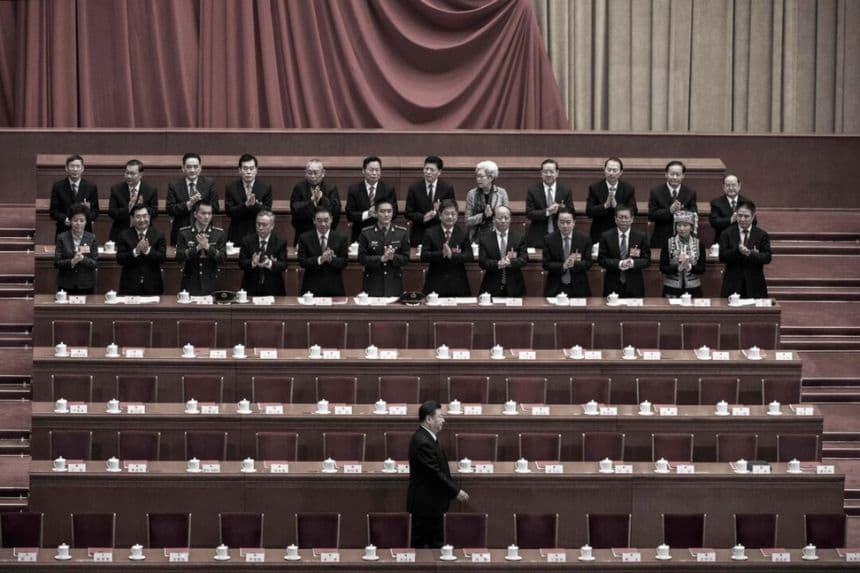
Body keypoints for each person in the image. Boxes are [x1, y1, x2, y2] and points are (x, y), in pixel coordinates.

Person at [407, 400, 469, 549]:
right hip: (426, 507)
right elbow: (434, 473)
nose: (443, 420)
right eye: (440, 417)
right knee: (424, 550)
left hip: (430, 505)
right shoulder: (423, 441)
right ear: (429, 419)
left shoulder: (426, 438)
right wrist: (455, 491)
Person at [719, 201, 771, 298]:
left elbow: (767, 257)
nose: (742, 219)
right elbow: (722, 256)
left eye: (746, 216)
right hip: (732, 283)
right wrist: (737, 251)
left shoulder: (762, 234)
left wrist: (750, 253)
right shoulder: (727, 233)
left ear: (753, 216)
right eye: (739, 216)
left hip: (755, 283)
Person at [358, 200, 410, 297]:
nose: (386, 214)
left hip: (394, 284)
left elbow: (406, 259)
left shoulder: (402, 232)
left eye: (389, 211)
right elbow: (362, 259)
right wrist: (381, 258)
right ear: (376, 213)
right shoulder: (366, 233)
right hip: (373, 284)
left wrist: (392, 257)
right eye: (382, 211)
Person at [420, 199, 472, 296]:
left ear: (457, 216)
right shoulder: (430, 232)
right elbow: (424, 256)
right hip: (435, 284)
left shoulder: (463, 233)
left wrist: (452, 255)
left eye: (453, 214)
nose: (450, 217)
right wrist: (441, 254)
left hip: (458, 285)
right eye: (446, 213)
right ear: (440, 215)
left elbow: (470, 256)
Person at [598, 204, 650, 297]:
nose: (623, 220)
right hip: (612, 284)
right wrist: (619, 263)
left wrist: (633, 263)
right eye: (620, 217)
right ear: (615, 219)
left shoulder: (641, 236)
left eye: (626, 217)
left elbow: (647, 260)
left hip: (635, 285)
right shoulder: (606, 236)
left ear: (632, 219)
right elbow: (601, 260)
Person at [166, 153, 219, 245]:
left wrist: (201, 205)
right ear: (183, 168)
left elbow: (215, 207)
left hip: (205, 232)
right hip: (181, 233)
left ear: (200, 168)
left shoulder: (209, 183)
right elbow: (170, 209)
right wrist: (189, 204)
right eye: (189, 167)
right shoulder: (174, 185)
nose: (192, 170)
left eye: (195, 167)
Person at [176, 201, 227, 295]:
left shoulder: (219, 233)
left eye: (209, 213)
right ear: (195, 214)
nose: (207, 217)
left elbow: (222, 258)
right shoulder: (184, 233)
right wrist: (197, 248)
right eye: (203, 213)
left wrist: (208, 247)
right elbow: (179, 258)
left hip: (211, 284)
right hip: (190, 284)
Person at [405, 155, 456, 247]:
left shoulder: (447, 188)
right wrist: (423, 217)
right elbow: (408, 212)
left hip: (439, 232)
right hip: (419, 232)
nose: (428, 172)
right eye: (426, 169)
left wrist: (437, 215)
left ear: (439, 172)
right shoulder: (414, 188)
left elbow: (451, 211)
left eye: (432, 170)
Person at [297, 206, 349, 296]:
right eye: (319, 220)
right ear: (314, 220)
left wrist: (330, 259)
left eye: (326, 220)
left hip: (334, 288)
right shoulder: (304, 238)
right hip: (311, 288)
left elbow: (344, 262)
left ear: (331, 219)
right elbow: (302, 262)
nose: (323, 224)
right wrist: (320, 259)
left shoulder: (341, 238)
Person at [478, 205, 528, 297]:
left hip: (514, 286)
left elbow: (524, 259)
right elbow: (482, 262)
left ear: (510, 219)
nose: (503, 221)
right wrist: (498, 263)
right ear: (493, 219)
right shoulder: (485, 238)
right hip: (491, 286)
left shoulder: (519, 237)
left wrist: (510, 262)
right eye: (500, 218)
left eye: (506, 218)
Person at [116, 204, 166, 295]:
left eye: (145, 216)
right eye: (138, 217)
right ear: (132, 218)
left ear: (149, 217)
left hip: (153, 286)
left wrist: (148, 251)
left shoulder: (159, 235)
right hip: (129, 286)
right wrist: (136, 251)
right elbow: (119, 259)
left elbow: (162, 258)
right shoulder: (124, 235)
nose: (142, 220)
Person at [542, 208, 592, 297]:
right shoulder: (549, 239)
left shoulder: (584, 239)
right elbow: (546, 264)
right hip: (556, 286)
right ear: (557, 223)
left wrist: (575, 264)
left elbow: (588, 263)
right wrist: (563, 266)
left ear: (574, 223)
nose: (565, 225)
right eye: (561, 222)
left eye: (568, 222)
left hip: (578, 287)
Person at [346, 156, 398, 242]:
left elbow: (395, 212)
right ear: (363, 170)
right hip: (360, 233)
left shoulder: (388, 189)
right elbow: (349, 214)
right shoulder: (354, 189)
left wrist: (379, 214)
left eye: (377, 170)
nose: (374, 173)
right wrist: (368, 214)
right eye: (371, 170)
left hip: (383, 233)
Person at [224, 153, 273, 244]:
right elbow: (229, 211)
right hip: (237, 233)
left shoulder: (265, 187)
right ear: (239, 170)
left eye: (251, 168)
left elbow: (268, 211)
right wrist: (245, 205)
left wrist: (255, 205)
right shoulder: (231, 187)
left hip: (258, 233)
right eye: (245, 168)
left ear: (256, 170)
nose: (248, 172)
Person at [586, 157, 637, 243]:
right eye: (609, 170)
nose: (611, 173)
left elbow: (634, 210)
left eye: (614, 170)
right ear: (604, 170)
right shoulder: (594, 188)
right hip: (600, 232)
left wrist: (617, 206)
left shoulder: (628, 188)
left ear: (621, 172)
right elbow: (589, 211)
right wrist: (605, 206)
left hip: (621, 231)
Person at [648, 160, 698, 248]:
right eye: (672, 174)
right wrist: (669, 211)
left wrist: (680, 212)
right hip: (661, 238)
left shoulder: (690, 192)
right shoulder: (656, 192)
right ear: (666, 174)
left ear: (683, 175)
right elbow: (652, 215)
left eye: (678, 174)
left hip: (684, 238)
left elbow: (693, 214)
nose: (674, 177)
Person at [290, 159, 341, 245]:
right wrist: (312, 201)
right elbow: (294, 209)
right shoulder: (299, 188)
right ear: (305, 173)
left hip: (326, 234)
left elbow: (335, 210)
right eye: (309, 173)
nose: (312, 176)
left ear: (323, 173)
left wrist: (322, 198)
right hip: (303, 233)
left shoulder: (331, 188)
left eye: (315, 173)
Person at [525, 159, 573, 248]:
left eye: (551, 171)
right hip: (538, 237)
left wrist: (559, 209)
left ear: (557, 173)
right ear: (541, 173)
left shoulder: (565, 190)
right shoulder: (532, 190)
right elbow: (529, 213)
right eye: (545, 172)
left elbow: (571, 211)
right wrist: (547, 212)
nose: (548, 174)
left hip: (560, 235)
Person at [238, 211, 288, 297]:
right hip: (251, 287)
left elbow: (284, 265)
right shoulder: (247, 241)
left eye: (264, 225)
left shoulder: (280, 242)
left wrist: (269, 263)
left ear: (272, 226)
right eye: (258, 224)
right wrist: (253, 262)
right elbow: (241, 263)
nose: (260, 227)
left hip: (274, 288)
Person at [49, 154, 99, 239]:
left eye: (78, 166)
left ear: (83, 168)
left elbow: (95, 211)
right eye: (72, 166)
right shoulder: (58, 187)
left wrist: (83, 221)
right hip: (64, 231)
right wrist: (65, 219)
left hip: (85, 232)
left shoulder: (91, 187)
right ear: (66, 168)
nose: (75, 169)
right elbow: (53, 212)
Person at [107, 159, 158, 242]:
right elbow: (112, 212)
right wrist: (128, 209)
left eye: (132, 173)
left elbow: (155, 212)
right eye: (127, 173)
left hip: (144, 234)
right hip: (120, 233)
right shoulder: (116, 189)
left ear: (141, 174)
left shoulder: (150, 190)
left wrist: (141, 208)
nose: (129, 176)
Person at [54, 204, 98, 294]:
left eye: (82, 220)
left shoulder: (91, 238)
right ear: (70, 221)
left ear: (86, 222)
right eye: (75, 220)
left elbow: (95, 263)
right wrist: (72, 262)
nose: (78, 223)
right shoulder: (62, 237)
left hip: (86, 285)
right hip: (66, 284)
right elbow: (56, 263)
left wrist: (82, 259)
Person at [660, 211, 706, 297]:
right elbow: (662, 268)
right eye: (679, 225)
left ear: (691, 227)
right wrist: (678, 268)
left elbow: (702, 269)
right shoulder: (668, 243)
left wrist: (689, 267)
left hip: (693, 288)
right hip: (671, 288)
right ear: (675, 227)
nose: (682, 228)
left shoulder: (699, 244)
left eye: (685, 225)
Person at [465, 160, 509, 242]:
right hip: (476, 237)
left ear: (491, 178)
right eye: (477, 176)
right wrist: (483, 216)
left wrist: (494, 213)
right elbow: (467, 221)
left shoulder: (502, 193)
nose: (478, 179)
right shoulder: (471, 194)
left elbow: (506, 218)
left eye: (481, 176)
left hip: (497, 236)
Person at [709, 174, 753, 246]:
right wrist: (730, 220)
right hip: (723, 241)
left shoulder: (747, 202)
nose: (731, 188)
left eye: (733, 185)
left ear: (739, 186)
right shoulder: (716, 203)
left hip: (743, 241)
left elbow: (754, 221)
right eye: (728, 185)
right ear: (723, 187)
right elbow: (714, 222)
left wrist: (742, 220)